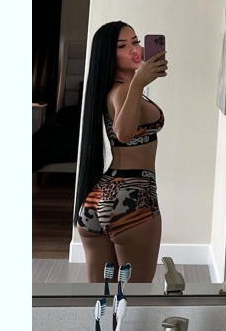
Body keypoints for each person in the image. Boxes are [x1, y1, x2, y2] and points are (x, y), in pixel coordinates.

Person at [74, 21, 168, 283]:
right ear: (108, 54)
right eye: (122, 46)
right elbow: (123, 133)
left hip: (97, 198)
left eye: (135, 41)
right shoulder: (126, 90)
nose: (134, 49)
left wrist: (138, 83)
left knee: (99, 297)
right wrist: (138, 82)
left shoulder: (113, 90)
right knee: (134, 296)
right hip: (133, 197)